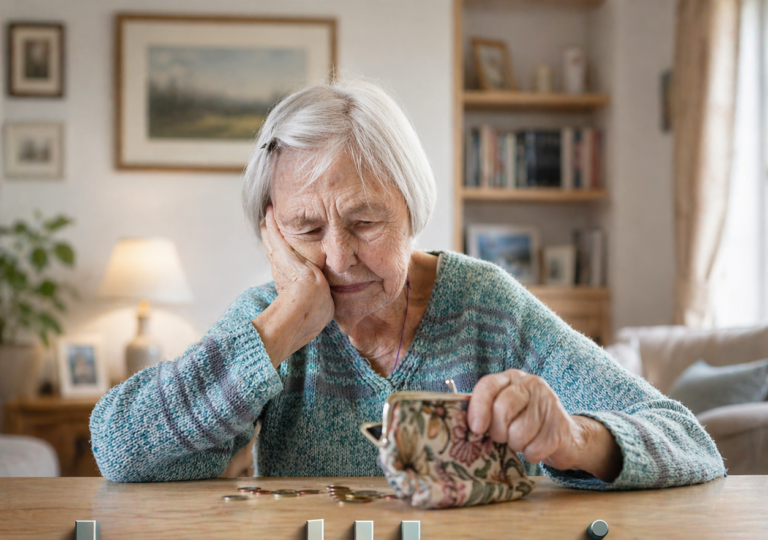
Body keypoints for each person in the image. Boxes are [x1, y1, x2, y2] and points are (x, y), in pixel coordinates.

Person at [90, 79, 725, 490]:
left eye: (365, 221)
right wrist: (282, 328)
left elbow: (690, 443)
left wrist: (572, 438)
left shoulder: (487, 305)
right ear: (272, 234)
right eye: (306, 228)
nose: (339, 258)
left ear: (413, 210)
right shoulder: (268, 322)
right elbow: (119, 450)